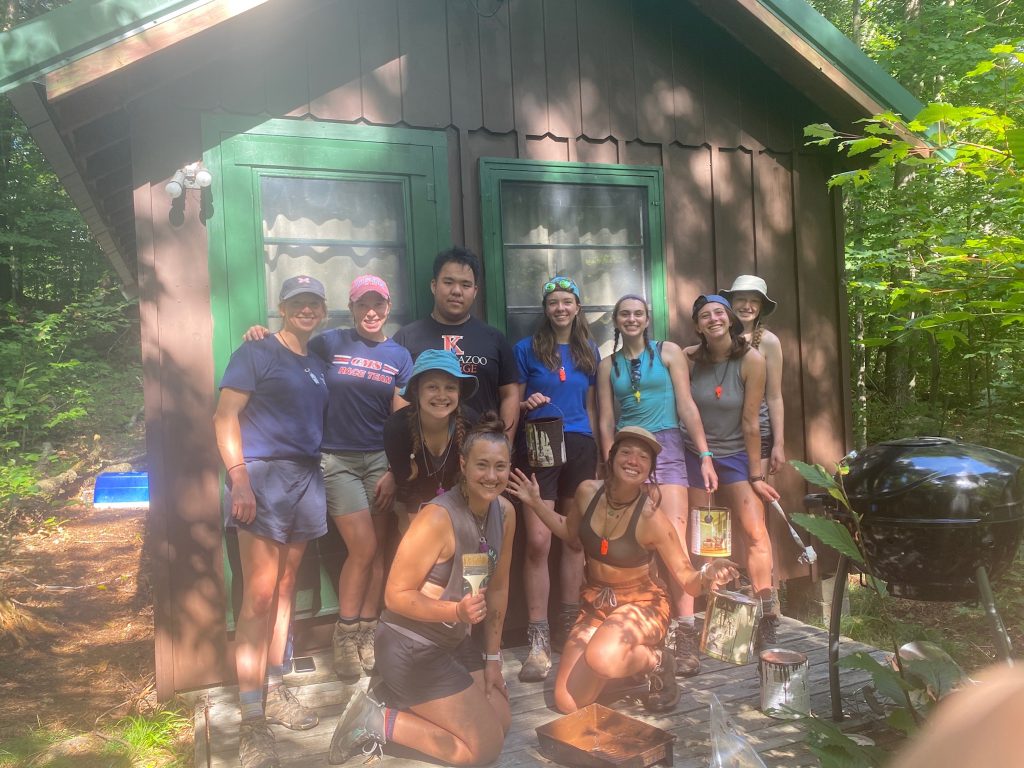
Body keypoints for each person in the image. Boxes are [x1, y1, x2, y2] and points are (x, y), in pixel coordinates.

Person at [243, 274, 412, 683]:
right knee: (364, 547)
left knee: (379, 550)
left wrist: (394, 470)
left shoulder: (399, 355)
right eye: (362, 305)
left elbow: (402, 419)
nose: (371, 312)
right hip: (336, 460)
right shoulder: (329, 343)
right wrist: (260, 334)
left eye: (378, 305)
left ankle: (367, 632)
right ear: (351, 309)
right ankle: (345, 631)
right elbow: (290, 350)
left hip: (379, 462)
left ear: (388, 308)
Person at [507, 426, 739, 714]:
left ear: (650, 469)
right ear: (612, 456)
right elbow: (569, 532)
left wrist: (707, 572)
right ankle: (618, 659)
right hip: (596, 604)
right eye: (627, 452)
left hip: (642, 605)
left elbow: (688, 581)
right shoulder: (587, 492)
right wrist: (535, 503)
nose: (634, 460)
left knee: (602, 658)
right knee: (567, 703)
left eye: (643, 457)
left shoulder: (651, 517)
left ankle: (657, 662)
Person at [328, 414, 516, 766]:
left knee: (501, 722)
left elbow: (500, 588)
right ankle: (374, 719)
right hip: (411, 646)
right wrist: (455, 612)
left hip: (453, 643)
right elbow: (394, 596)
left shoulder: (504, 514)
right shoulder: (437, 518)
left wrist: (493, 659)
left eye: (500, 466)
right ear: (463, 464)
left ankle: (399, 699)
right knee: (484, 750)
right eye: (482, 465)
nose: (491, 476)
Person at [213, 275, 329, 768]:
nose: (306, 309)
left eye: (314, 303)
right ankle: (250, 719)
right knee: (257, 597)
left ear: (322, 311)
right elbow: (224, 418)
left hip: (306, 476)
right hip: (262, 477)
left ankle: (276, 689)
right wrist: (238, 478)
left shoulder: (317, 365)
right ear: (282, 307)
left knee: (285, 589)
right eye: (297, 302)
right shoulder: (256, 352)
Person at [596, 293, 718, 677]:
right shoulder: (607, 365)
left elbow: (686, 404)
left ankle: (685, 631)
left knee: (675, 543)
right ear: (616, 321)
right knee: (634, 543)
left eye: (638, 314)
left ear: (647, 319)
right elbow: (604, 419)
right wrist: (609, 462)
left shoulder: (668, 352)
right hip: (627, 453)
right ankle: (653, 627)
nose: (631, 319)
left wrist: (704, 454)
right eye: (624, 314)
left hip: (665, 448)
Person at [514, 275, 600, 683]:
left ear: (577, 307)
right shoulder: (526, 349)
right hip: (541, 440)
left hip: (582, 443)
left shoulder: (589, 350)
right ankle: (538, 636)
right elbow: (511, 401)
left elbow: (593, 406)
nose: (560, 308)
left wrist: (604, 448)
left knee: (574, 539)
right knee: (537, 540)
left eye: (568, 301)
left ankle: (569, 625)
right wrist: (526, 401)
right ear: (546, 309)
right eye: (554, 302)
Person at [682, 294, 781, 647]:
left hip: (737, 452)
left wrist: (756, 475)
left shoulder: (751, 360)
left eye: (719, 313)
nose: (713, 319)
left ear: (729, 320)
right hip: (695, 454)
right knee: (704, 538)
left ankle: (766, 609)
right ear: (698, 325)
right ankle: (718, 612)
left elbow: (752, 422)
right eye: (705, 316)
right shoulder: (687, 358)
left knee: (754, 530)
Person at [393, 247, 519, 441]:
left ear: (475, 291)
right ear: (434, 285)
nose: (457, 291)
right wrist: (404, 445)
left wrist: (505, 445)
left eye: (466, 285)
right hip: (425, 455)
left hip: (481, 456)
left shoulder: (494, 339)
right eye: (448, 282)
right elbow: (401, 396)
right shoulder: (406, 338)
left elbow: (510, 394)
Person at [383, 348, 479, 533]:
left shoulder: (471, 423)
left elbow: (474, 478)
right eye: (432, 387)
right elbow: (407, 488)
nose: (441, 395)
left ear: (459, 392)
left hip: (462, 502)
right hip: (414, 503)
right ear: (416, 391)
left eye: (450, 387)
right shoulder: (396, 428)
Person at [721, 275, 785, 477]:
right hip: (720, 435)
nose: (747, 306)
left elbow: (774, 396)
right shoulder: (717, 338)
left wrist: (779, 444)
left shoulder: (769, 342)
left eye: (754, 301)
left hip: (758, 432)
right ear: (731, 303)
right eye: (741, 299)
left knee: (757, 496)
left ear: (761, 307)